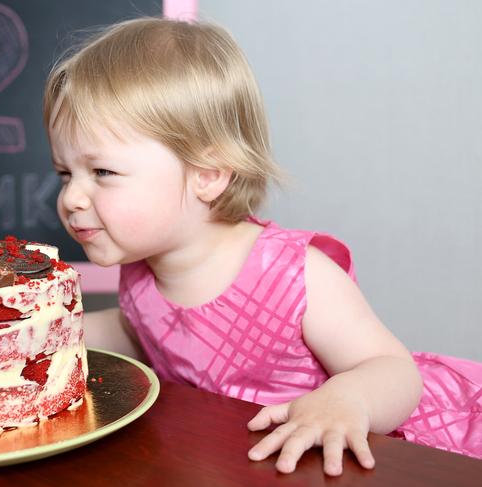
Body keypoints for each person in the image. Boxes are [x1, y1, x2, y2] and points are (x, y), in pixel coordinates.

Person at [42, 17, 482, 476]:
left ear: (207, 175)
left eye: (102, 173)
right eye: (64, 174)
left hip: (354, 458)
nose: (71, 198)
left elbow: (392, 369)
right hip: (234, 462)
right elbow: (140, 331)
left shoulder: (294, 273)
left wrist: (346, 400)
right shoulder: (142, 269)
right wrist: (30, 329)